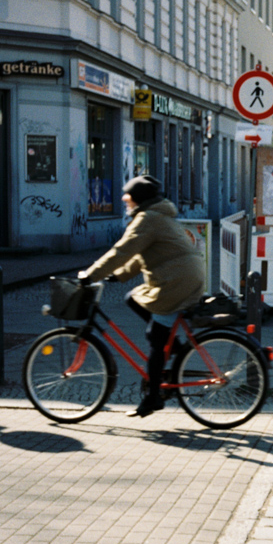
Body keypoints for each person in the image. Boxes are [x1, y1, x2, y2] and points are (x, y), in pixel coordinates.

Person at [80, 175, 206, 417]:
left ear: (138, 199)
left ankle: (153, 397)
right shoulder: (157, 216)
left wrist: (90, 275)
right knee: (132, 298)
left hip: (176, 282)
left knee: (156, 338)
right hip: (183, 276)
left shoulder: (147, 219)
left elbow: (122, 251)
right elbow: (140, 256)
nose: (125, 201)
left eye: (128, 197)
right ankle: (174, 346)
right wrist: (118, 275)